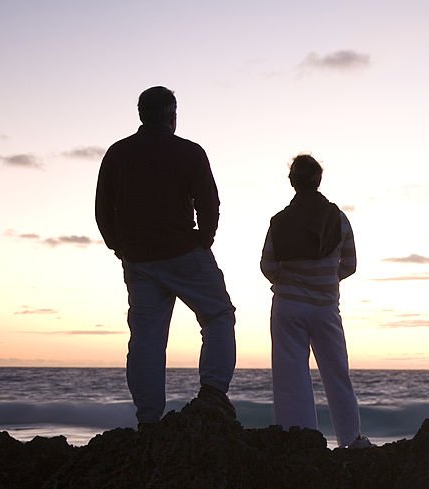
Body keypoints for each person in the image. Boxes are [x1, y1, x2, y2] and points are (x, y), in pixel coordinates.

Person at [95, 86, 237, 427]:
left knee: (146, 339)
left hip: (140, 260)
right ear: (171, 116)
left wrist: (119, 246)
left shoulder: (118, 153)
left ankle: (148, 419)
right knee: (218, 315)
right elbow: (209, 202)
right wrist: (204, 239)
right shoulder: (188, 152)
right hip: (184, 253)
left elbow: (103, 209)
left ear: (141, 114)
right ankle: (213, 393)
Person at [260, 154, 371, 448]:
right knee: (337, 374)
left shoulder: (280, 221)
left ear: (292, 182)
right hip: (325, 308)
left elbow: (267, 266)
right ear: (318, 180)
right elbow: (350, 264)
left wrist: (290, 281)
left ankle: (299, 439)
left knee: (290, 376)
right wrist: (325, 281)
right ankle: (351, 438)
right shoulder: (338, 218)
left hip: (288, 306)